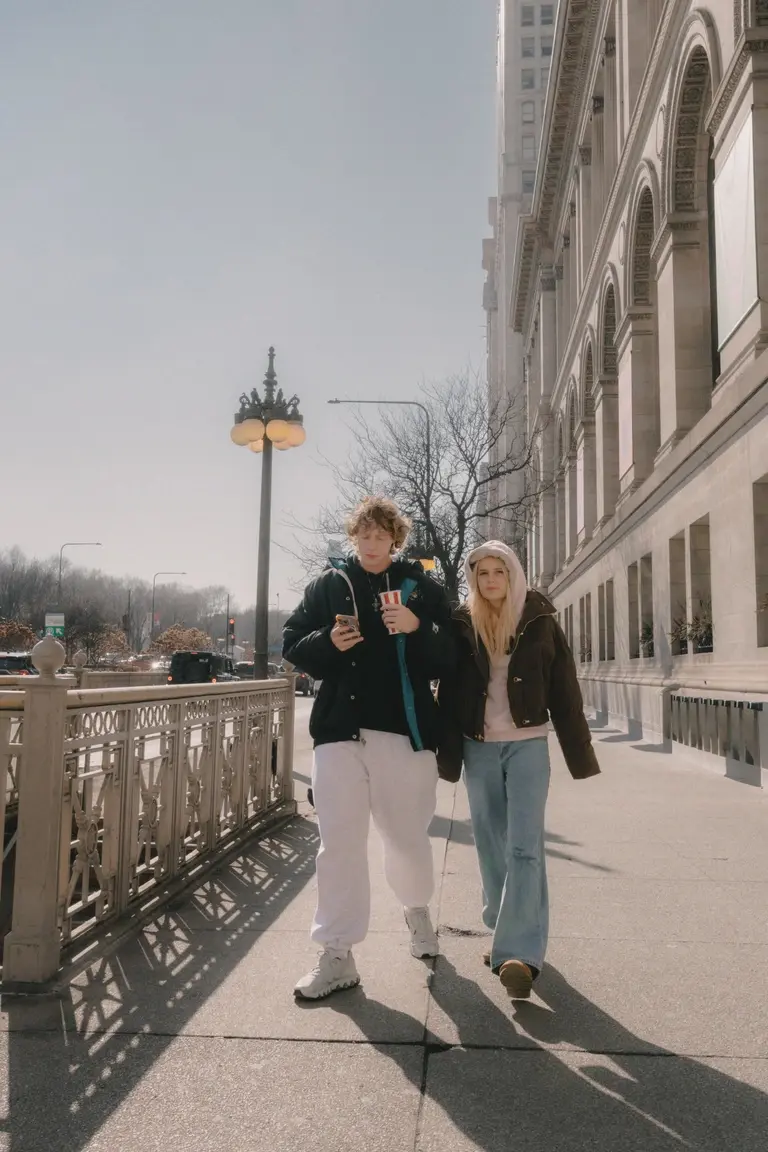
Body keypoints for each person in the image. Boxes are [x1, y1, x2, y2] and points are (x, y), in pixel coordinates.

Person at [283, 496, 456, 1000]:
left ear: (394, 540)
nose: (371, 544)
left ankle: (416, 908)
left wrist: (418, 629)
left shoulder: (421, 587)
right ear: (353, 537)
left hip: (404, 732)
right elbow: (293, 641)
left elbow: (452, 656)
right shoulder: (328, 585)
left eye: (381, 536)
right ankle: (337, 953)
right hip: (338, 733)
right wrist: (326, 644)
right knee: (338, 843)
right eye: (364, 535)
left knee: (405, 839)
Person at [441, 541, 600, 1001]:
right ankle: (503, 924)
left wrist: (579, 752)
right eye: (483, 573)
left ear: (513, 575)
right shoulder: (461, 623)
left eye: (499, 571)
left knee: (525, 847)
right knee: (490, 845)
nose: (491, 580)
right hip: (479, 748)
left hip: (528, 746)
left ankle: (518, 955)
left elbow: (564, 687)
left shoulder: (538, 618)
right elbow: (448, 689)